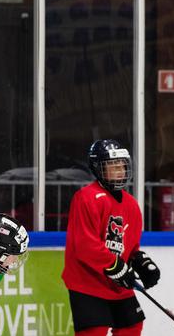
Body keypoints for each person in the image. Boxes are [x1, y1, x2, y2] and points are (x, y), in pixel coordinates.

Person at [62, 139, 161, 336]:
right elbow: (85, 245)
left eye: (121, 166)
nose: (119, 171)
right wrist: (115, 266)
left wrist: (139, 260)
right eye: (112, 166)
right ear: (98, 169)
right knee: (94, 331)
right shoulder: (86, 198)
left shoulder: (131, 204)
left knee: (132, 327)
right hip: (87, 282)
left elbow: (129, 246)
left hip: (116, 283)